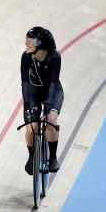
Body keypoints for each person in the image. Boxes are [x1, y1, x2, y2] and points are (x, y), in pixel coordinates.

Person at [20, 26, 64, 175]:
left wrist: (49, 103)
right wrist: (27, 104)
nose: (27, 43)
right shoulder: (26, 57)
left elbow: (53, 83)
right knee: (31, 126)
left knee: (51, 120)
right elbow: (25, 82)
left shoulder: (54, 57)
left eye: (31, 41)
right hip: (33, 93)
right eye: (27, 40)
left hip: (53, 92)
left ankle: (52, 157)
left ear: (42, 44)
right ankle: (32, 156)